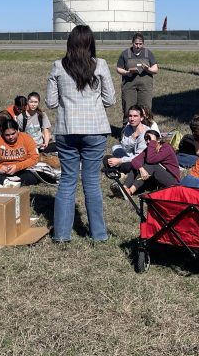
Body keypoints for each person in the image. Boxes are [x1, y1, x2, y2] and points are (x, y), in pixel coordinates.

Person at [46, 24, 116, 243]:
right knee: (92, 181)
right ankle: (99, 234)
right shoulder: (100, 65)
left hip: (67, 129)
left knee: (67, 180)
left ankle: (61, 234)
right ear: (90, 43)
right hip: (95, 129)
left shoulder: (58, 66)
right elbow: (110, 99)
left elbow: (50, 102)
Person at [0, 118, 40, 187]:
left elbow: (34, 158)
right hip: (2, 172)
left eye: (13, 134)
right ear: (2, 133)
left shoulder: (26, 138)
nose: (11, 137)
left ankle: (4, 182)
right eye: (7, 135)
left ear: (17, 131)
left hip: (22, 170)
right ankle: (7, 182)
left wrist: (17, 167)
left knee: (36, 173)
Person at [119, 130, 180, 197]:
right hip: (157, 181)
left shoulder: (166, 148)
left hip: (172, 182)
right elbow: (134, 161)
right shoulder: (150, 149)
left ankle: (130, 192)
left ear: (158, 140)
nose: (147, 141)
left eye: (149, 139)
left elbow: (150, 160)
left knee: (151, 165)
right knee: (136, 167)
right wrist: (141, 169)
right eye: (146, 139)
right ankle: (124, 188)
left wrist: (153, 142)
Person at [116, 33, 158, 117]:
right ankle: (127, 128)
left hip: (145, 87)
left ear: (143, 43)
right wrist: (127, 72)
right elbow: (119, 68)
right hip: (129, 86)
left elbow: (155, 69)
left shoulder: (148, 53)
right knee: (129, 108)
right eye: (136, 43)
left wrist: (148, 69)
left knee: (145, 109)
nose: (138, 46)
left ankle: (146, 128)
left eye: (140, 44)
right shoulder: (125, 53)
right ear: (132, 43)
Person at [104, 105, 148, 174]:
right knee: (114, 149)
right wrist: (133, 136)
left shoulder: (145, 133)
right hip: (130, 155)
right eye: (130, 116)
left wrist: (119, 160)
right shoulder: (128, 128)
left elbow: (139, 157)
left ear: (141, 118)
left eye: (135, 116)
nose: (132, 119)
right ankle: (119, 169)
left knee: (127, 165)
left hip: (141, 161)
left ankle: (120, 169)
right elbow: (124, 147)